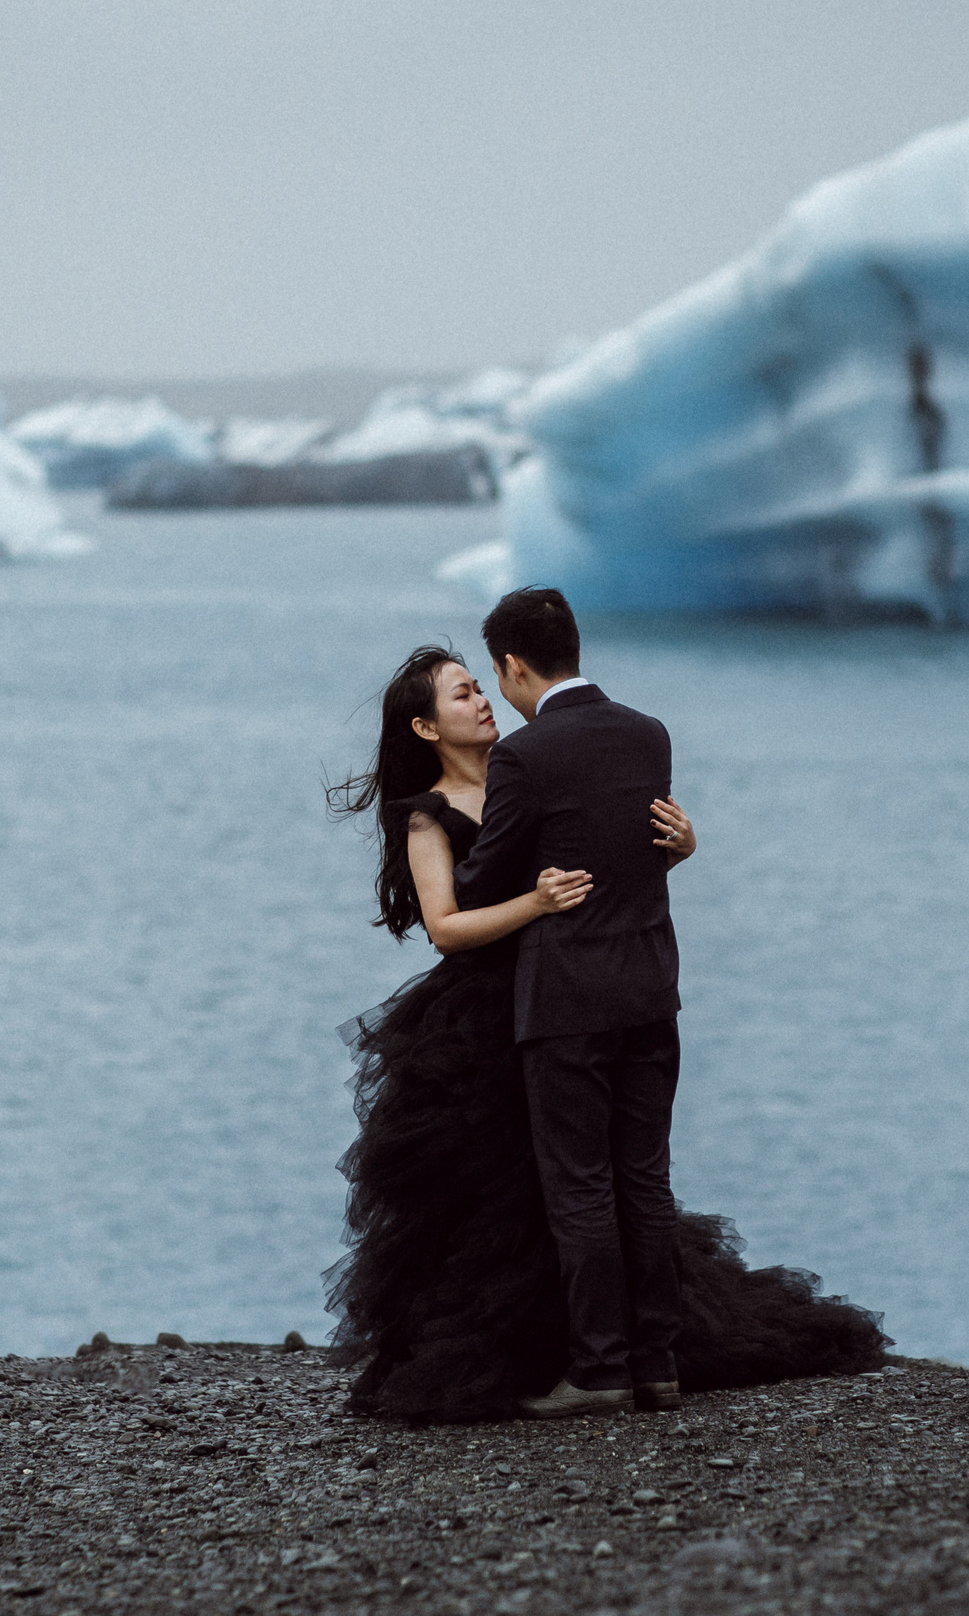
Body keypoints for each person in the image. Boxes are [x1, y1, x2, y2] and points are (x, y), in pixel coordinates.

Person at [326, 599, 889, 1425]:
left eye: (480, 684)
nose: (483, 699)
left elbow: (602, 864)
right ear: (424, 728)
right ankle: (566, 1355)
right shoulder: (432, 811)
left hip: (565, 996)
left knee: (586, 1185)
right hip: (486, 1020)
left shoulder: (533, 764)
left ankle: (607, 1359)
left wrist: (677, 849)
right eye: (461, 694)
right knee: (519, 1200)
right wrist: (536, 902)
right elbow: (447, 925)